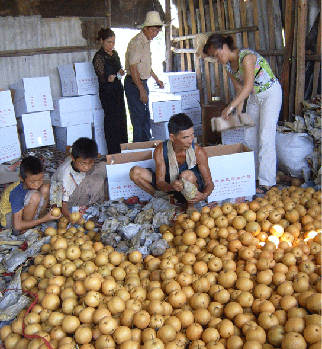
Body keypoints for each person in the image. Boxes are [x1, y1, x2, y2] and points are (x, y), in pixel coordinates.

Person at [203, 34, 282, 194]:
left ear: (224, 47)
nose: (217, 59)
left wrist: (230, 107)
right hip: (253, 97)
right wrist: (238, 113)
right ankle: (252, 177)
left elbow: (247, 86)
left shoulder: (246, 57)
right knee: (249, 138)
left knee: (266, 136)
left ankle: (267, 182)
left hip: (270, 94)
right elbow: (240, 91)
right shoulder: (228, 66)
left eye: (216, 55)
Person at [129, 113, 214, 210]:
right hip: (170, 187)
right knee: (135, 172)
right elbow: (160, 183)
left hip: (192, 187)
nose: (190, 140)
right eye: (185, 137)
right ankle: (165, 200)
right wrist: (171, 186)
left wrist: (204, 195)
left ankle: (190, 205)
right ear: (172, 137)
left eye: (192, 135)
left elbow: (209, 183)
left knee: (187, 176)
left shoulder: (198, 152)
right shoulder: (161, 150)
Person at [124, 11, 165, 142]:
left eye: (157, 32)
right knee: (139, 119)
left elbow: (145, 66)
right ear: (145, 28)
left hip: (141, 83)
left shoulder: (146, 42)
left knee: (145, 116)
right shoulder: (138, 42)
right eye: (153, 31)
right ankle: (138, 150)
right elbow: (133, 67)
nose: (154, 35)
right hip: (134, 84)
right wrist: (141, 90)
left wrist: (157, 79)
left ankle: (147, 146)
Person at [50, 137, 107, 223]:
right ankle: (90, 208)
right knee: (96, 180)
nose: (86, 167)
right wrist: (71, 217)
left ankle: (99, 200)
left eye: (90, 163)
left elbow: (69, 149)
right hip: (67, 201)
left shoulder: (76, 154)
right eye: (82, 163)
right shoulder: (66, 176)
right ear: (73, 158)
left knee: (103, 166)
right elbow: (63, 204)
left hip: (78, 184)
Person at [0, 156, 59, 233]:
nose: (37, 184)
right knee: (35, 196)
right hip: (10, 222)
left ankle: (36, 221)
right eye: (32, 182)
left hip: (21, 215)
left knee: (45, 188)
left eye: (40, 179)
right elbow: (17, 226)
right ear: (21, 178)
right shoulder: (16, 193)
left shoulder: (32, 183)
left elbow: (43, 187)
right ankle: (24, 231)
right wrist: (45, 219)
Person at [92, 28, 128, 155]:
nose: (111, 45)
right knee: (112, 122)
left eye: (113, 42)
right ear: (101, 41)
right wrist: (108, 79)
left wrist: (120, 72)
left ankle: (123, 151)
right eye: (108, 42)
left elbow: (119, 68)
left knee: (122, 120)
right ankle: (113, 153)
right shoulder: (99, 57)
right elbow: (100, 77)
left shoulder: (115, 53)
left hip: (118, 90)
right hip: (107, 93)